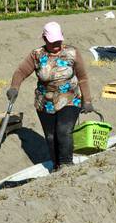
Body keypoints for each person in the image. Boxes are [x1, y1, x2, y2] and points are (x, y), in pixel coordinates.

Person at [7, 21, 93, 170]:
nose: (56, 45)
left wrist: (87, 100)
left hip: (70, 99)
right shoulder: (37, 55)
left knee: (63, 131)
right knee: (51, 136)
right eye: (53, 42)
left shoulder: (72, 53)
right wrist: (14, 88)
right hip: (45, 102)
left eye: (59, 42)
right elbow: (20, 72)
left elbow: (83, 77)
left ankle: (67, 165)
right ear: (44, 39)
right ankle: (57, 166)